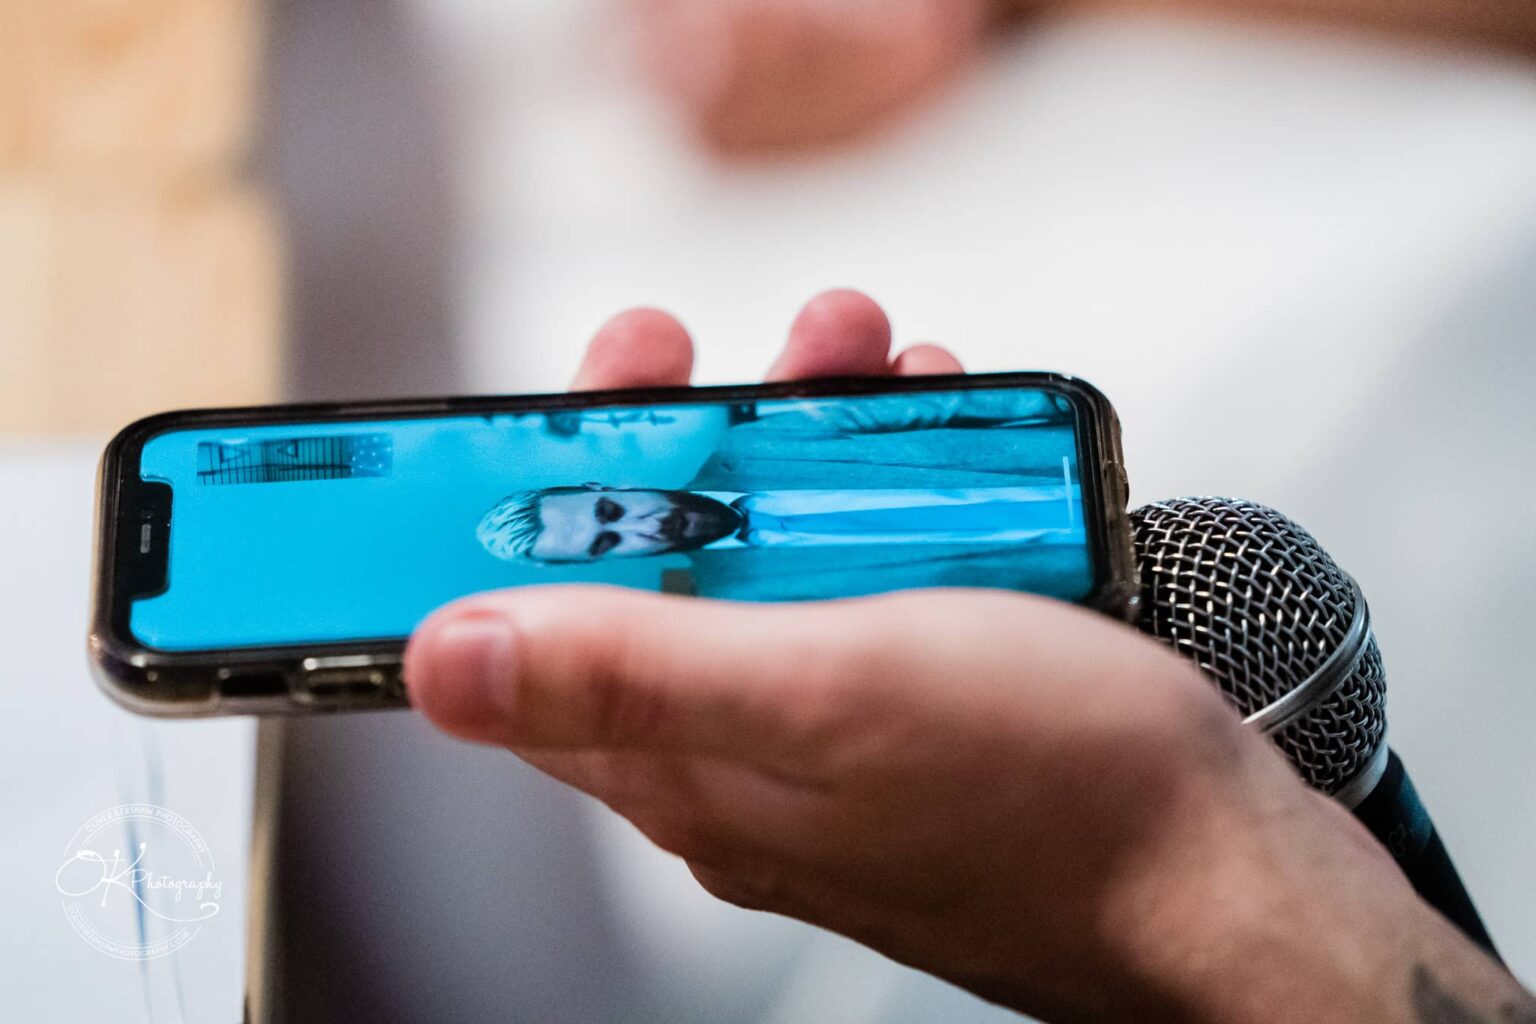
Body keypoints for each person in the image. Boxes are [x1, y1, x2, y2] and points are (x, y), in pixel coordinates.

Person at [406, 290, 1534, 1023]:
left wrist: (1175, 881)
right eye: (600, 551)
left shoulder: (800, 466)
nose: (628, 534)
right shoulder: (774, 630)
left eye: (608, 510)